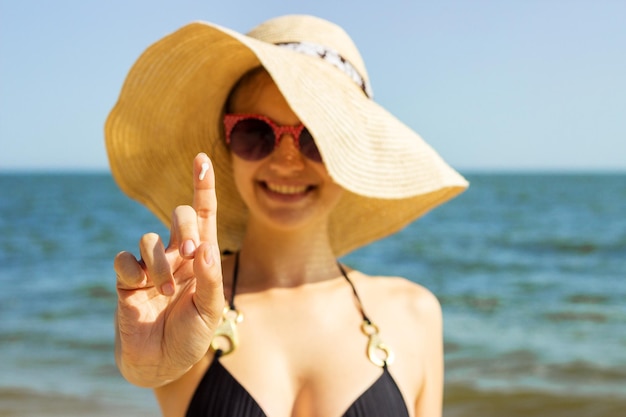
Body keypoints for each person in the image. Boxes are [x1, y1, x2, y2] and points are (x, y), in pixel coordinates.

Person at [105, 14, 468, 417]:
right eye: (256, 132)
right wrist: (144, 365)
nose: (287, 159)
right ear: (227, 144)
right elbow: (144, 365)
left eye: (316, 136)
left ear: (351, 153)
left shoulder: (414, 313)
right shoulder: (186, 302)